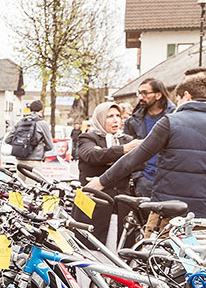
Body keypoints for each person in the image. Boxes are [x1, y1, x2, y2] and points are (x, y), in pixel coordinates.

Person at [89, 68, 206, 224]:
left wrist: (101, 182)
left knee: (154, 246)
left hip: (169, 209)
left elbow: (135, 157)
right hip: (202, 212)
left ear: (186, 96)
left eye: (177, 99)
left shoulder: (171, 122)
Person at [73, 102, 136, 246]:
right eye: (110, 116)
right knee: (89, 250)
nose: (116, 120)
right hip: (94, 207)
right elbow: (91, 155)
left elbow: (140, 163)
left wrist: (109, 157)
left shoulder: (126, 139)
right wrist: (123, 152)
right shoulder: (88, 138)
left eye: (118, 116)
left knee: (118, 250)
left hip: (120, 206)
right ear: (100, 118)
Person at [124, 78, 176, 198]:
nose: (141, 97)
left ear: (158, 95)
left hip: (169, 180)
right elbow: (127, 152)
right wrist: (138, 176)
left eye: (145, 93)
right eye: (139, 93)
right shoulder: (132, 122)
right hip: (144, 180)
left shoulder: (175, 118)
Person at [5, 100, 54, 183]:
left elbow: (8, 139)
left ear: (30, 109)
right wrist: (37, 148)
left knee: (19, 189)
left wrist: (21, 146)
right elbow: (50, 146)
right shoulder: (42, 123)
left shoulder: (21, 122)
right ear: (41, 110)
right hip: (34, 162)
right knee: (33, 190)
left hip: (20, 161)